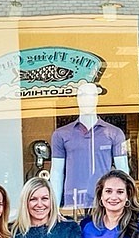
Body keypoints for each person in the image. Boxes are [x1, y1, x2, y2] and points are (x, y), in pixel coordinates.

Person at [50, 82, 128, 210]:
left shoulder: (114, 133)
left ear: (97, 98)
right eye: (82, 95)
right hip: (73, 199)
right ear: (77, 99)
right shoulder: (61, 134)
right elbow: (56, 172)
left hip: (105, 198)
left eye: (91, 95)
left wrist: (125, 205)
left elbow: (123, 171)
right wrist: (54, 209)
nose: (86, 99)